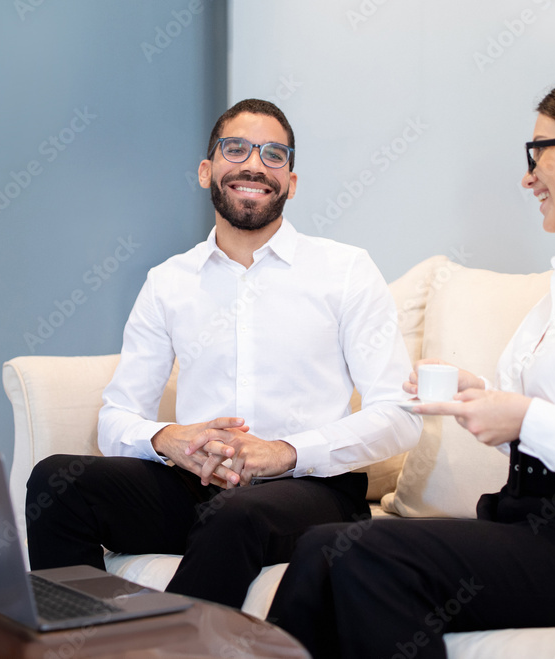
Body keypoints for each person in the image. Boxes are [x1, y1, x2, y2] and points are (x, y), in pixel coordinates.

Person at [266, 70, 555, 658]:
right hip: (528, 524)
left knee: (368, 557)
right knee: (320, 548)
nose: (528, 176)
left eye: (538, 153)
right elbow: (554, 411)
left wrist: (527, 419)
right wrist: (483, 397)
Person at [25, 99, 422, 608]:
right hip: (196, 487)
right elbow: (116, 416)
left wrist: (286, 451)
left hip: (314, 492)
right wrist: (167, 438)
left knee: (236, 515)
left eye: (274, 155)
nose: (255, 164)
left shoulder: (345, 271)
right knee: (58, 481)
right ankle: (79, 639)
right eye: (237, 149)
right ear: (207, 171)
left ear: (292, 182)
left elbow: (401, 415)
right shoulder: (169, 281)